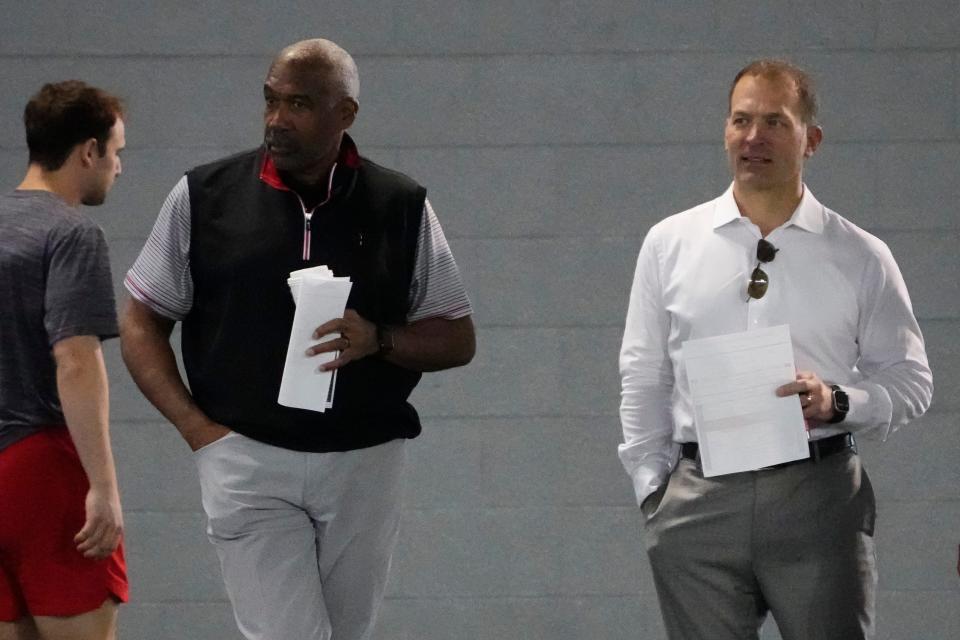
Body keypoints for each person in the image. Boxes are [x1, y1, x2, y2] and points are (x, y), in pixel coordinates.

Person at [120, 38, 475, 640]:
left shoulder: (401, 204)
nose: (276, 120)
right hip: (247, 456)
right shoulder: (204, 195)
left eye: (300, 104)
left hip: (365, 461)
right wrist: (198, 431)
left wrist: (379, 339)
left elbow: (456, 337)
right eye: (270, 100)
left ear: (346, 114)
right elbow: (141, 317)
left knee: (345, 633)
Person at [618, 59, 933, 640]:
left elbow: (911, 382)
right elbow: (643, 372)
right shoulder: (669, 244)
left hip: (817, 492)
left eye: (774, 122)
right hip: (697, 496)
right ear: (725, 132)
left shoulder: (861, 254)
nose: (753, 137)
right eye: (741, 120)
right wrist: (652, 490)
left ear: (810, 140)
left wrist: (838, 401)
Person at [0, 81, 128, 640]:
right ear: (88, 151)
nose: (118, 168)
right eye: (117, 152)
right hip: (39, 469)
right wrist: (103, 487)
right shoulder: (73, 232)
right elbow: (75, 361)